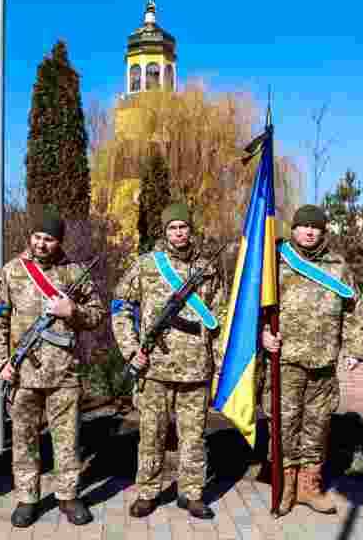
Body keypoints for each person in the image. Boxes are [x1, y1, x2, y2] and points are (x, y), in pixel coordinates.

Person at [0, 208, 107, 528]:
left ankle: (67, 495)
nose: (41, 244)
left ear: (59, 242)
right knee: (24, 439)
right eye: (37, 237)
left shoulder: (74, 271)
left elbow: (97, 315)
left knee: (67, 439)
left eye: (48, 239)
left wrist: (72, 311)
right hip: (22, 372)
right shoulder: (11, 271)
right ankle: (27, 498)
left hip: (64, 372)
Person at [111, 202, 223, 520]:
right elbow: (120, 306)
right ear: (165, 231)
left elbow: (221, 314)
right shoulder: (147, 265)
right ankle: (147, 492)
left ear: (191, 230)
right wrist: (132, 349)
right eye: (173, 227)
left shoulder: (208, 268)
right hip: (154, 368)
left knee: (194, 437)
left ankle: (192, 493)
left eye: (183, 227)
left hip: (196, 368)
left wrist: (218, 362)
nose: (178, 233)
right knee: (152, 434)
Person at [260, 205, 363, 515]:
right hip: (286, 359)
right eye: (303, 226)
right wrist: (263, 334)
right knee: (285, 423)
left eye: (315, 227)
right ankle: (285, 485)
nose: (309, 231)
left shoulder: (338, 266)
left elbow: (353, 310)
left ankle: (309, 486)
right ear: (292, 230)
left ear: (323, 231)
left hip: (324, 360)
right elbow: (255, 306)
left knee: (317, 425)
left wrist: (355, 348)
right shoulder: (274, 263)